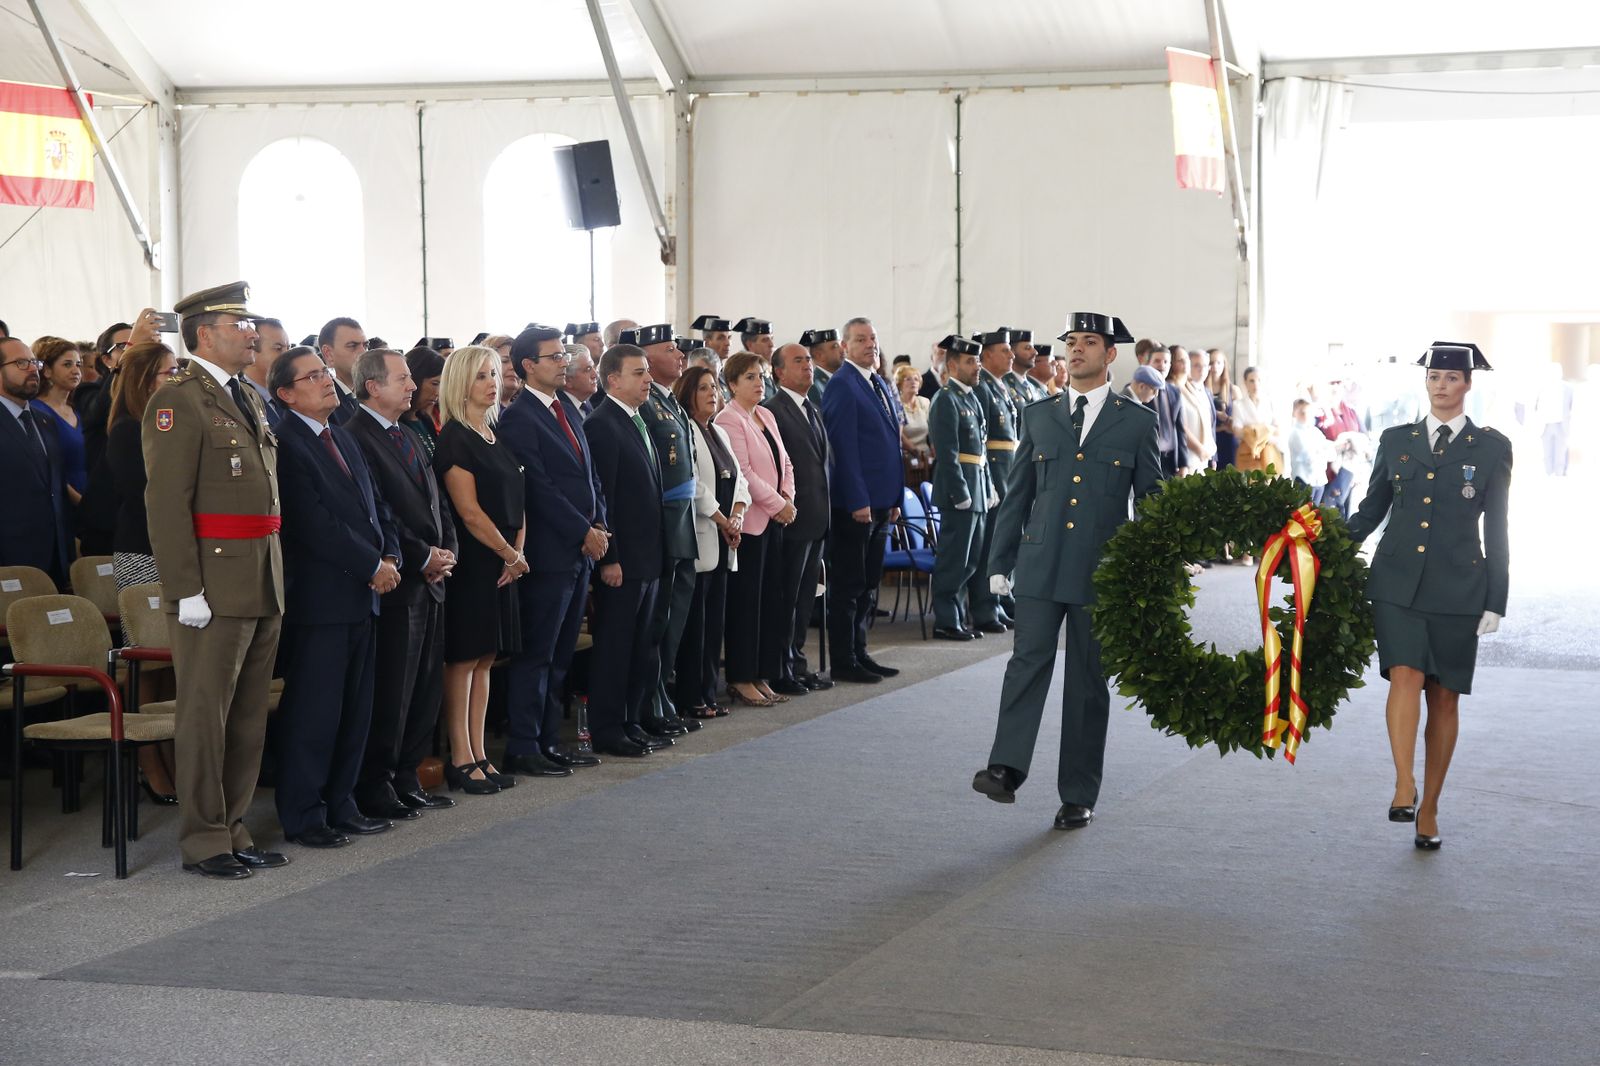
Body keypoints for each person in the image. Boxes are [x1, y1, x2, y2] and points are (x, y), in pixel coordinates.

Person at [973, 312, 1161, 831]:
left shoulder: (1137, 422)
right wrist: (999, 561)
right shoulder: (1038, 415)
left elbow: (1151, 501)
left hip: (1100, 571)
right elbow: (1017, 496)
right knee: (1025, 664)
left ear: (1110, 355)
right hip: (1039, 562)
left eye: (1089, 342)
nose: (1077, 350)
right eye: (1072, 342)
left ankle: (1077, 793)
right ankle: (1005, 768)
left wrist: (1153, 568)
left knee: (1086, 682)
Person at [142, 282, 286, 879]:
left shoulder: (240, 395)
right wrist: (186, 589)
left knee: (248, 713)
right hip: (213, 582)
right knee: (206, 715)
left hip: (260, 571)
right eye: (240, 323)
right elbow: (167, 502)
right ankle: (203, 839)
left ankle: (232, 824)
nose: (251, 333)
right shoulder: (179, 399)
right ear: (205, 332)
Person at [1346, 342, 1511, 850]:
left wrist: (1496, 598)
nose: (1441, 385)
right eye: (1434, 376)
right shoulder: (1397, 440)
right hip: (1396, 584)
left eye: (1451, 378)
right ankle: (1403, 784)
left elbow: (1498, 526)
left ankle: (1431, 807)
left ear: (1467, 385)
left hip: (1461, 588)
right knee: (1404, 675)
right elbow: (1371, 509)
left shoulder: (1490, 446)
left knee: (1444, 699)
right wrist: (1316, 541)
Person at [346, 348, 460, 817]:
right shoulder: (357, 435)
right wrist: (421, 556)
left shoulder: (406, 433)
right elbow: (380, 513)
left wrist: (446, 549)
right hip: (400, 581)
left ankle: (408, 775)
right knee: (394, 690)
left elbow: (436, 502)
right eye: (403, 379)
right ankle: (378, 784)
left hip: (431, 579)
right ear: (373, 386)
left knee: (424, 688)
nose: (414, 386)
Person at [497, 324, 609, 775]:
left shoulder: (567, 408)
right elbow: (539, 488)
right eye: (555, 357)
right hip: (548, 552)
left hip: (578, 550)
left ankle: (547, 739)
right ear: (528, 366)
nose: (564, 363)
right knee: (537, 653)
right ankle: (524, 745)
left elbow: (589, 474)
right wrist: (583, 529)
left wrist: (599, 520)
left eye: (564, 356)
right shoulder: (520, 417)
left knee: (561, 654)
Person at [435, 345, 528, 793]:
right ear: (460, 384)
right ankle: (460, 756)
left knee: (487, 658)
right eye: (480, 376)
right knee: (464, 658)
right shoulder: (455, 438)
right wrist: (510, 555)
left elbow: (518, 502)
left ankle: (481, 753)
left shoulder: (494, 433)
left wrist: (516, 551)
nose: (492, 382)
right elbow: (468, 512)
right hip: (475, 561)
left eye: (494, 373)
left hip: (505, 560)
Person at [103, 340, 182, 801]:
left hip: (175, 553)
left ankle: (170, 752)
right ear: (144, 379)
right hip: (143, 553)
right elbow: (145, 494)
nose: (176, 379)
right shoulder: (128, 430)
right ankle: (148, 761)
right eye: (167, 373)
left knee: (174, 664)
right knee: (148, 661)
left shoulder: (170, 425)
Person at [583, 343, 665, 757]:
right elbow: (605, 498)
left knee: (642, 646)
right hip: (623, 560)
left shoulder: (636, 418)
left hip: (647, 556)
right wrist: (610, 559)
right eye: (638, 372)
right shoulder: (602, 424)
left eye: (647, 371)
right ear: (613, 379)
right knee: (615, 648)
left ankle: (632, 720)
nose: (647, 379)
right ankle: (608, 727)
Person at [621, 324, 701, 738]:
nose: (680, 356)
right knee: (659, 619)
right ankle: (651, 700)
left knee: (675, 615)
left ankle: (662, 694)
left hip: (681, 518)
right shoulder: (643, 405)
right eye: (671, 349)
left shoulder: (668, 401)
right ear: (646, 357)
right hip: (662, 519)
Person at [821, 317, 904, 684]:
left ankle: (860, 651)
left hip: (881, 501)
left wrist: (895, 498)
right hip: (856, 505)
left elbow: (891, 444)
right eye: (861, 339)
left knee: (870, 583)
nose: (870, 344)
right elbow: (843, 449)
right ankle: (844, 659)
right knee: (850, 585)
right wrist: (857, 499)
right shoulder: (842, 385)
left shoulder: (878, 381)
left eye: (873, 338)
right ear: (844, 346)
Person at [715, 352, 797, 706]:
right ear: (732, 384)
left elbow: (785, 462)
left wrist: (788, 497)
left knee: (770, 601)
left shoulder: (765, 414)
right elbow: (744, 473)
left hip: (774, 519)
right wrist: (779, 505)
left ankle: (762, 673)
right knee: (746, 604)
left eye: (761, 375)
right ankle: (741, 676)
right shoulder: (729, 419)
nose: (758, 382)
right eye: (749, 377)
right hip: (749, 523)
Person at [676, 364, 750, 717]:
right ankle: (692, 696)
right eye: (704, 388)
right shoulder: (686, 430)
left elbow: (740, 482)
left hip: (726, 540)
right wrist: (723, 520)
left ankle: (708, 693)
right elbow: (694, 484)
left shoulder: (717, 431)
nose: (712, 394)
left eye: (714, 388)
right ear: (688, 393)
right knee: (697, 627)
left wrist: (737, 516)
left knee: (714, 625)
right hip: (704, 537)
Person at [763, 343, 833, 694]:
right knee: (785, 599)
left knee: (806, 597)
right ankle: (780, 668)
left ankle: (797, 660)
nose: (808, 366)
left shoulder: (811, 407)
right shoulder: (771, 411)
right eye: (798, 361)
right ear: (778, 372)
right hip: (791, 519)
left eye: (808, 360)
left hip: (817, 518)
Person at [926, 336, 992, 641]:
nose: (977, 367)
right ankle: (946, 619)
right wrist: (960, 492)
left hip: (977, 486)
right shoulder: (946, 399)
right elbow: (948, 452)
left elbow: (982, 451)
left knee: (972, 559)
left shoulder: (971, 398)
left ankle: (958, 615)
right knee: (954, 559)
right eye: (970, 361)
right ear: (952, 365)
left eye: (977, 361)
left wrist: (988, 487)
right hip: (960, 491)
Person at [1, 334, 74, 590]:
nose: (33, 369)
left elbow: (57, 491)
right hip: (9, 563)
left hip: (55, 560)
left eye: (35, 363)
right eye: (21, 363)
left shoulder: (44, 421)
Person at [971, 328, 1021, 632]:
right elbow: (983, 440)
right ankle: (984, 607)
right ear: (987, 355)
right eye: (1005, 350)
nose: (1012, 355)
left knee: (1003, 545)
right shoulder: (982, 388)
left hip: (1008, 471)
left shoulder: (1000, 387)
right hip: (993, 471)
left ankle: (1000, 601)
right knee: (990, 546)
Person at [30, 337, 87, 503]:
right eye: (67, 364)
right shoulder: (36, 410)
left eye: (78, 364)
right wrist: (79, 502)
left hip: (88, 497)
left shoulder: (76, 410)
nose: (76, 371)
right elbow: (48, 468)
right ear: (47, 371)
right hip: (61, 501)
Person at [1232, 366, 1284, 475]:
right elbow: (1237, 432)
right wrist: (1264, 430)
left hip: (1269, 451)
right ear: (1245, 382)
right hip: (1247, 452)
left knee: (1269, 481)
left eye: (1259, 380)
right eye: (1251, 381)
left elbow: (1278, 429)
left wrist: (1254, 431)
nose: (1256, 384)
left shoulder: (1270, 403)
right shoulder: (1238, 405)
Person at [242, 317, 291, 427]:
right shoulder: (239, 400)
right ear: (251, 352)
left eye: (288, 348)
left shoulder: (293, 395)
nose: (288, 356)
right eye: (278, 348)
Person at [318, 316, 366, 425]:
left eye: (365, 345)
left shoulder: (370, 397)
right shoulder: (325, 405)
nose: (364, 352)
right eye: (352, 346)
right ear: (328, 354)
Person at [402, 346, 446, 462]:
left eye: (442, 385)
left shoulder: (425, 420)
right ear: (415, 379)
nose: (438, 392)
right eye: (435, 383)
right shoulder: (397, 425)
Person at [1287, 398, 1333, 501]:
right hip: (1304, 479)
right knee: (1305, 515)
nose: (1305, 414)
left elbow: (1331, 453)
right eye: (1301, 411)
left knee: (1316, 514)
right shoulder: (1295, 433)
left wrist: (1319, 451)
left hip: (1319, 479)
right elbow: (1308, 456)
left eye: (1307, 411)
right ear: (1294, 413)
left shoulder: (1316, 432)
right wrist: (1321, 451)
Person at [895, 364, 932, 468]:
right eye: (908, 379)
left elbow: (933, 428)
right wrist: (915, 451)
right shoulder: (896, 404)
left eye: (916, 379)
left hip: (926, 455)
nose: (913, 382)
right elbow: (900, 435)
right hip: (906, 457)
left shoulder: (924, 402)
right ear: (900, 383)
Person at [734, 317, 778, 400]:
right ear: (750, 345)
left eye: (771, 339)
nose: (771, 344)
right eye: (765, 340)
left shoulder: (771, 366)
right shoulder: (742, 369)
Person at [1003, 329, 1049, 407]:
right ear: (1012, 352)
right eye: (1028, 348)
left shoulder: (1034, 386)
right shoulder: (1004, 383)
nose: (1035, 352)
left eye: (1033, 348)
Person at [1209, 350, 1238, 469]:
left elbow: (1239, 420)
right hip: (1209, 442)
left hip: (1229, 443)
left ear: (1224, 365)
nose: (1215, 367)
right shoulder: (1199, 390)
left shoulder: (1233, 390)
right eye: (1211, 363)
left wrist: (1228, 420)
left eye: (1219, 363)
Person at [803, 328, 842, 407]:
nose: (842, 350)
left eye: (840, 345)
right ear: (819, 355)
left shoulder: (842, 379)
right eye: (835, 346)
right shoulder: (814, 386)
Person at [563, 344, 600, 418]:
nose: (595, 375)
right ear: (568, 381)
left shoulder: (585, 402)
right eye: (588, 369)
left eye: (593, 367)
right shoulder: (560, 412)